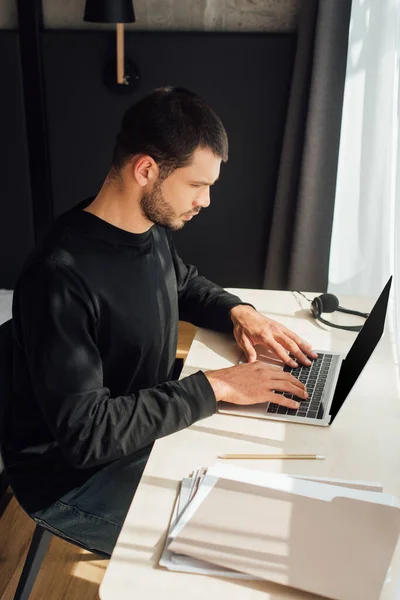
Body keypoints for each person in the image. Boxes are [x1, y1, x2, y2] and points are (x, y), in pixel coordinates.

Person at [4, 86, 316, 557]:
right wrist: (215, 387)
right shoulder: (59, 276)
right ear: (146, 170)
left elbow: (181, 282)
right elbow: (87, 435)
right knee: (246, 546)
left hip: (142, 425)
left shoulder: (146, 229)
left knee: (282, 489)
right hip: (73, 478)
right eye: (196, 185)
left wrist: (240, 313)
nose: (206, 201)